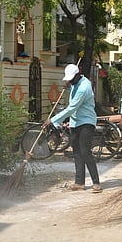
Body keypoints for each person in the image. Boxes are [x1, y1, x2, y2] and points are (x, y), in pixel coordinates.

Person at [44, 64, 102, 193]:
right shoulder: (76, 84)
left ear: (78, 75)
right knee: (76, 152)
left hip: (86, 121)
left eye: (71, 79)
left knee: (85, 151)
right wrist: (70, 87)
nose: (69, 81)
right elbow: (74, 99)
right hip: (75, 122)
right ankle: (79, 182)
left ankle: (96, 182)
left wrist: (52, 120)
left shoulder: (84, 87)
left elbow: (72, 108)